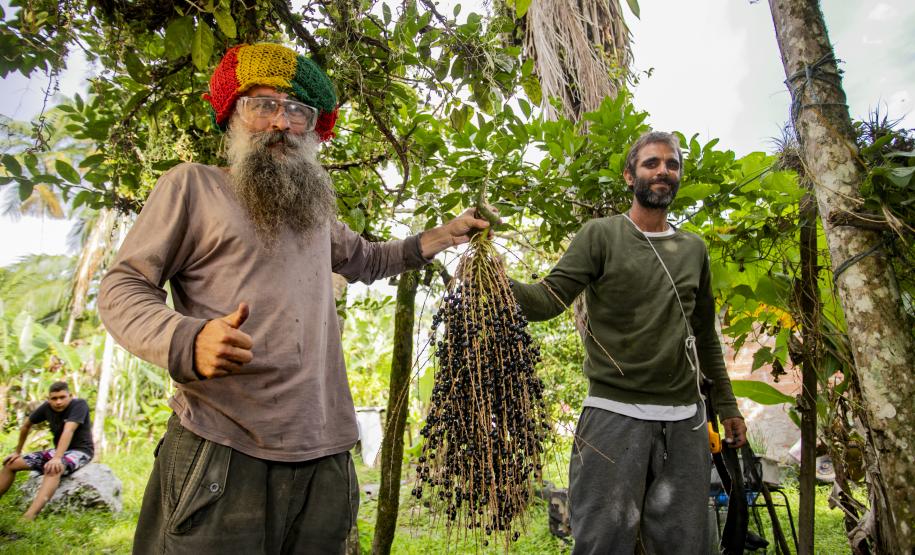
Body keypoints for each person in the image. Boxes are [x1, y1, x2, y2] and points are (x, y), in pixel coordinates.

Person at [97, 42, 490, 554]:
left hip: (325, 454)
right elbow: (122, 286)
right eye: (262, 105)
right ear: (233, 116)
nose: (280, 122)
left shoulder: (313, 211)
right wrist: (185, 338)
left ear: (312, 127)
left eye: (297, 110)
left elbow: (368, 259)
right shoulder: (192, 187)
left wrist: (440, 237)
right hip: (223, 446)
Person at [509, 131, 747, 553]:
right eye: (651, 163)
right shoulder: (601, 235)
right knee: (603, 542)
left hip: (684, 420)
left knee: (686, 545)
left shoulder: (693, 248)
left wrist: (726, 405)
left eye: (671, 164)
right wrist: (492, 281)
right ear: (628, 175)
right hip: (613, 414)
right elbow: (548, 299)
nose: (663, 171)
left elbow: (705, 334)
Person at [0, 381, 95, 520]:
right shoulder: (46, 407)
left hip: (80, 451)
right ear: (48, 399)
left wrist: (57, 458)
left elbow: (69, 430)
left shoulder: (79, 405)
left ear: (70, 396)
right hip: (58, 451)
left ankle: (28, 517)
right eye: (54, 398)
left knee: (54, 468)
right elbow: (26, 426)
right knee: (11, 464)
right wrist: (17, 452)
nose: (58, 402)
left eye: (62, 397)